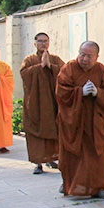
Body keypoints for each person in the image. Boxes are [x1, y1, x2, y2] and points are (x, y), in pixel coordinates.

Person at [55, 41, 104, 199]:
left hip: (96, 123)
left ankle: (98, 187)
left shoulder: (102, 70)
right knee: (73, 154)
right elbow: (61, 91)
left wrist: (98, 93)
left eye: (89, 56)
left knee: (97, 155)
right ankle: (70, 184)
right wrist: (79, 93)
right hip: (74, 121)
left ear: (97, 57)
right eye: (82, 54)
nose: (84, 59)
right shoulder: (69, 68)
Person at [20, 32, 64, 174]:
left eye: (45, 41)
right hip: (35, 104)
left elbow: (65, 74)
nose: (43, 44)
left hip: (52, 104)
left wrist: (51, 67)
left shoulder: (55, 59)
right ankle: (38, 163)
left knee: (53, 130)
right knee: (35, 133)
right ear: (35, 43)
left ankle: (52, 158)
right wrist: (40, 67)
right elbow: (24, 75)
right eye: (40, 41)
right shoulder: (29, 60)